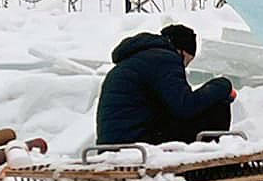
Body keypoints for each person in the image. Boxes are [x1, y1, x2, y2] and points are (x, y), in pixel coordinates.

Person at [95, 23, 235, 146]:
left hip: (117, 142)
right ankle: (209, 167)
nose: (184, 67)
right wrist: (222, 85)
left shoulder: (137, 59)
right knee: (218, 108)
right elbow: (185, 106)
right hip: (137, 141)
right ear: (181, 52)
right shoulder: (165, 59)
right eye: (186, 61)